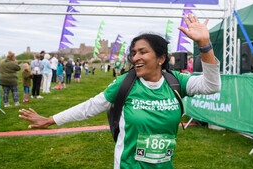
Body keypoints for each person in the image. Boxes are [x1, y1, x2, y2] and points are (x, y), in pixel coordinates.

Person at [19, 14, 221, 169]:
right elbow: (90, 106)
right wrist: (51, 119)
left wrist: (204, 44)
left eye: (143, 52)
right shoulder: (125, 83)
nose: (135, 58)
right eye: (133, 53)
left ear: (161, 58)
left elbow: (212, 85)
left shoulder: (176, 82)